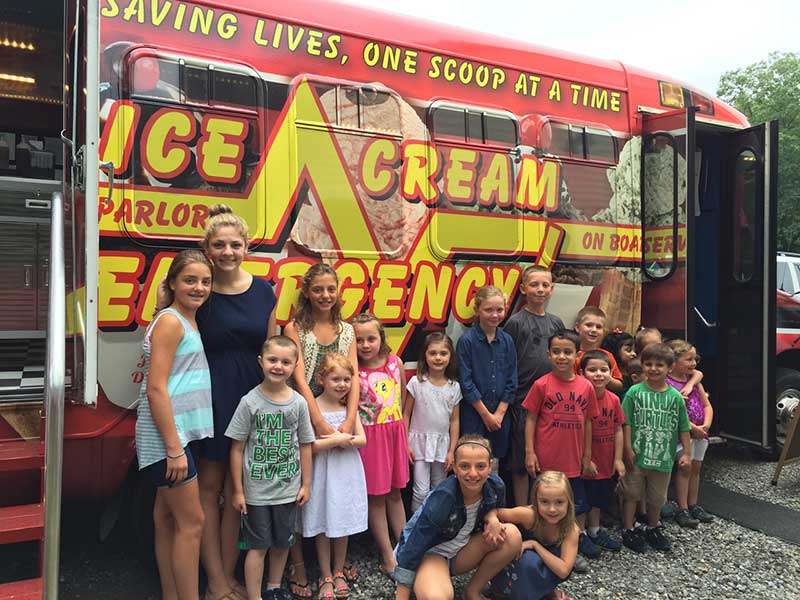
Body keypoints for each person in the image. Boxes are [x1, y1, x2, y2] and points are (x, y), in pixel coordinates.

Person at [197, 205, 277, 600]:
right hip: (210, 392)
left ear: (247, 246)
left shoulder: (264, 290)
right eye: (219, 245)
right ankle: (214, 582)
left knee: (237, 489)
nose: (228, 251)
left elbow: (271, 348)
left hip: (252, 394)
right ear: (207, 249)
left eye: (235, 244)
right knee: (209, 489)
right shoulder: (199, 288)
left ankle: (229, 577)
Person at [136, 250, 214, 600]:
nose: (199, 287)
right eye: (190, 280)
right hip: (168, 437)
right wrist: (174, 448)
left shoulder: (183, 317)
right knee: (192, 523)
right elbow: (156, 388)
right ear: (172, 282)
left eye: (205, 281)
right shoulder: (171, 321)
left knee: (166, 520)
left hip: (176, 433)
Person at [283, 263, 360, 596]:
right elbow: (299, 377)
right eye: (318, 289)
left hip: (337, 414)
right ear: (307, 292)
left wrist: (348, 418)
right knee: (301, 490)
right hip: (302, 414)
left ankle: (334, 569)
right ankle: (298, 565)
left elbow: (353, 376)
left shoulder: (347, 331)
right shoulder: (295, 328)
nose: (325, 295)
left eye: (331, 289)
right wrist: (317, 421)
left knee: (332, 490)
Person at [226, 335, 315, 600]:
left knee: (282, 543)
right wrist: (238, 491)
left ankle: (274, 587)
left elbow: (306, 445)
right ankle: (255, 596)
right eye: (272, 360)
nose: (278, 366)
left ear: (294, 366)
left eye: (286, 362)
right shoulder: (249, 402)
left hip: (287, 490)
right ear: (260, 361)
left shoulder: (298, 403)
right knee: (257, 546)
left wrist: (306, 484)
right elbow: (237, 448)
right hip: (256, 493)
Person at [394, 435, 522, 600]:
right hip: (431, 553)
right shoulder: (443, 498)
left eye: (481, 466)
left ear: (490, 466)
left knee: (511, 536)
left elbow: (497, 510)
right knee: (436, 597)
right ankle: (427, 578)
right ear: (454, 467)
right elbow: (413, 547)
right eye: (465, 466)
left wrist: (492, 517)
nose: (473, 473)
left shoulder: (496, 486)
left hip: (461, 551)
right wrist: (402, 594)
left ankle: (472, 591)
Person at [523, 329, 599, 569]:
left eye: (567, 352)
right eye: (556, 352)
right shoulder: (541, 385)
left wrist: (587, 456)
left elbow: (588, 421)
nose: (562, 357)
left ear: (577, 355)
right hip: (546, 459)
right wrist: (529, 452)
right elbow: (531, 419)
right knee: (544, 505)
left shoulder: (586, 387)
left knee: (575, 506)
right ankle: (542, 545)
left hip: (573, 460)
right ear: (548, 355)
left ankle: (572, 547)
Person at [300, 352, 368, 600]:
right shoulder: (313, 408)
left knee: (343, 520)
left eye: (346, 380)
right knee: (323, 519)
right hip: (322, 472)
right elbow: (308, 446)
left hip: (345, 471)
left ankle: (339, 569)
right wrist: (337, 441)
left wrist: (344, 439)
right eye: (335, 379)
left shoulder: (348, 408)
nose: (341, 385)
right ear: (321, 379)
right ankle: (325, 572)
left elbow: (362, 440)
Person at [619, 343, 691, 553]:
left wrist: (686, 452)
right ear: (642, 366)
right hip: (638, 454)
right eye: (648, 364)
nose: (653, 368)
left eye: (659, 365)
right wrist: (627, 448)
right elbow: (626, 422)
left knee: (657, 497)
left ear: (670, 367)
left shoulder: (675, 397)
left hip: (663, 458)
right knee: (631, 492)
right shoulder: (635, 392)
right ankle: (628, 528)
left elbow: (683, 426)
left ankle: (653, 527)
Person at [353, 312, 410, 577]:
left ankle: (407, 548)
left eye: (371, 338)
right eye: (359, 339)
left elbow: (400, 400)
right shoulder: (354, 369)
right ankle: (388, 555)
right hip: (371, 438)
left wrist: (404, 435)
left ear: (381, 338)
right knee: (376, 498)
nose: (365, 345)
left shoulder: (394, 362)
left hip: (394, 432)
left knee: (396, 493)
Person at [504, 265, 565, 506]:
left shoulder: (556, 323)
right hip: (522, 402)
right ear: (523, 289)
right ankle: (523, 513)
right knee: (521, 463)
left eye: (545, 285)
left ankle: (545, 508)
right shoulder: (515, 323)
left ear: (552, 289)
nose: (540, 290)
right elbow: (509, 363)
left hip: (551, 403)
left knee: (546, 457)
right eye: (534, 284)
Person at [488, 471, 580, 600]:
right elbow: (495, 512)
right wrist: (493, 521)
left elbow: (564, 570)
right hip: (515, 564)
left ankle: (544, 591)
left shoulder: (570, 529)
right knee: (529, 560)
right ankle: (502, 589)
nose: (552, 509)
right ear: (536, 501)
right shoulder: (528, 515)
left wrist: (534, 545)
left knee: (544, 560)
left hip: (538, 568)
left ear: (569, 502)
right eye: (545, 502)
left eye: (559, 502)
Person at [456, 285, 518, 470]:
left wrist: (499, 414)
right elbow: (466, 382)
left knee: (494, 461)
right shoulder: (467, 341)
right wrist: (486, 415)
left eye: (499, 310)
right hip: (474, 414)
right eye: (488, 309)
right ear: (477, 310)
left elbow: (511, 379)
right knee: (472, 459)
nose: (494, 315)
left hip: (500, 416)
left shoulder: (507, 341)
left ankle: (494, 498)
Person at [404, 332, 462, 512]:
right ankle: (415, 527)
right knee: (420, 490)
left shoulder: (454, 386)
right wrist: (405, 443)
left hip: (442, 445)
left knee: (440, 488)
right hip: (419, 444)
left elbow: (454, 420)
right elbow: (406, 414)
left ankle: (435, 525)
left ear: (450, 356)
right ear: (425, 356)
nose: (438, 358)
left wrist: (452, 451)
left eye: (443, 353)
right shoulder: (416, 382)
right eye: (433, 353)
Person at [579, 350, 625, 552]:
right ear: (582, 373)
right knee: (582, 499)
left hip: (606, 460)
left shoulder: (614, 399)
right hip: (585, 461)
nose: (598, 374)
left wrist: (618, 459)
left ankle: (595, 530)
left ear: (611, 373)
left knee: (598, 498)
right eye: (592, 370)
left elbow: (618, 428)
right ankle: (579, 534)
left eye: (604, 370)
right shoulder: (580, 398)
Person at [666, 339, 715, 528]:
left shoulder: (693, 381)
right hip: (683, 434)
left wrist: (706, 425)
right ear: (674, 361)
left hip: (701, 433)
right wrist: (693, 428)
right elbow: (674, 413)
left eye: (695, 359)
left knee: (696, 468)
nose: (693, 363)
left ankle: (694, 504)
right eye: (688, 359)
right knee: (684, 468)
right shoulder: (667, 383)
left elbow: (706, 404)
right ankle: (682, 507)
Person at [573, 307, 623, 393]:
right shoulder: (572, 356)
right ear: (577, 327)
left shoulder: (607, 355)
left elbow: (619, 386)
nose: (594, 330)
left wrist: (606, 378)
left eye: (598, 327)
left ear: (603, 331)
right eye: (589, 325)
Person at [600, 329, 635, 394]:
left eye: (635, 350)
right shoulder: (609, 375)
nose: (634, 354)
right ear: (615, 351)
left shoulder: (635, 373)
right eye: (628, 350)